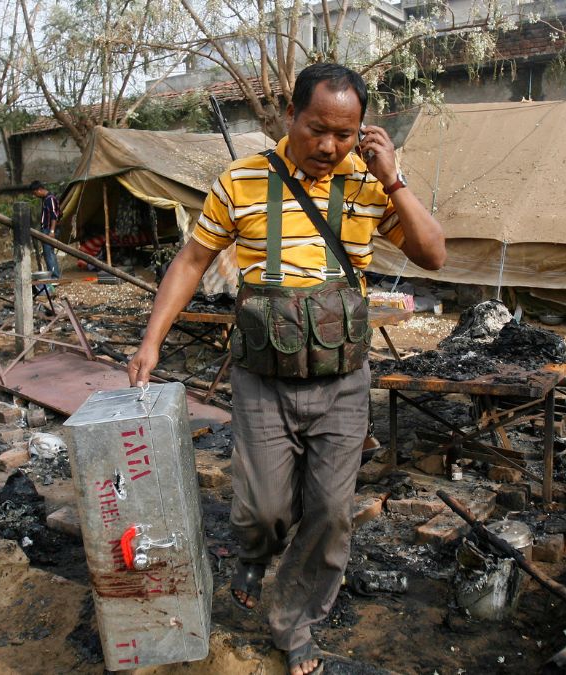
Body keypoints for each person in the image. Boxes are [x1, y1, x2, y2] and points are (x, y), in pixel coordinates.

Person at [127, 63, 445, 675]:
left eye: (345, 134)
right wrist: (151, 342)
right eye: (317, 129)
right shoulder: (242, 179)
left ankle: (295, 624)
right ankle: (254, 551)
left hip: (342, 383)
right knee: (265, 510)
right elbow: (193, 260)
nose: (329, 146)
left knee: (329, 514)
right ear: (289, 118)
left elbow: (433, 254)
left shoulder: (369, 185)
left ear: (363, 133)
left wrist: (396, 179)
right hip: (262, 382)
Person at [30, 180, 62, 280]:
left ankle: (54, 277)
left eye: (35, 193)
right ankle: (53, 275)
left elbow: (54, 216)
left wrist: (52, 231)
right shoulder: (45, 199)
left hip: (49, 229)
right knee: (48, 253)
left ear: (39, 190)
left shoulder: (50, 199)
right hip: (46, 229)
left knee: (49, 253)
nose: (35, 196)